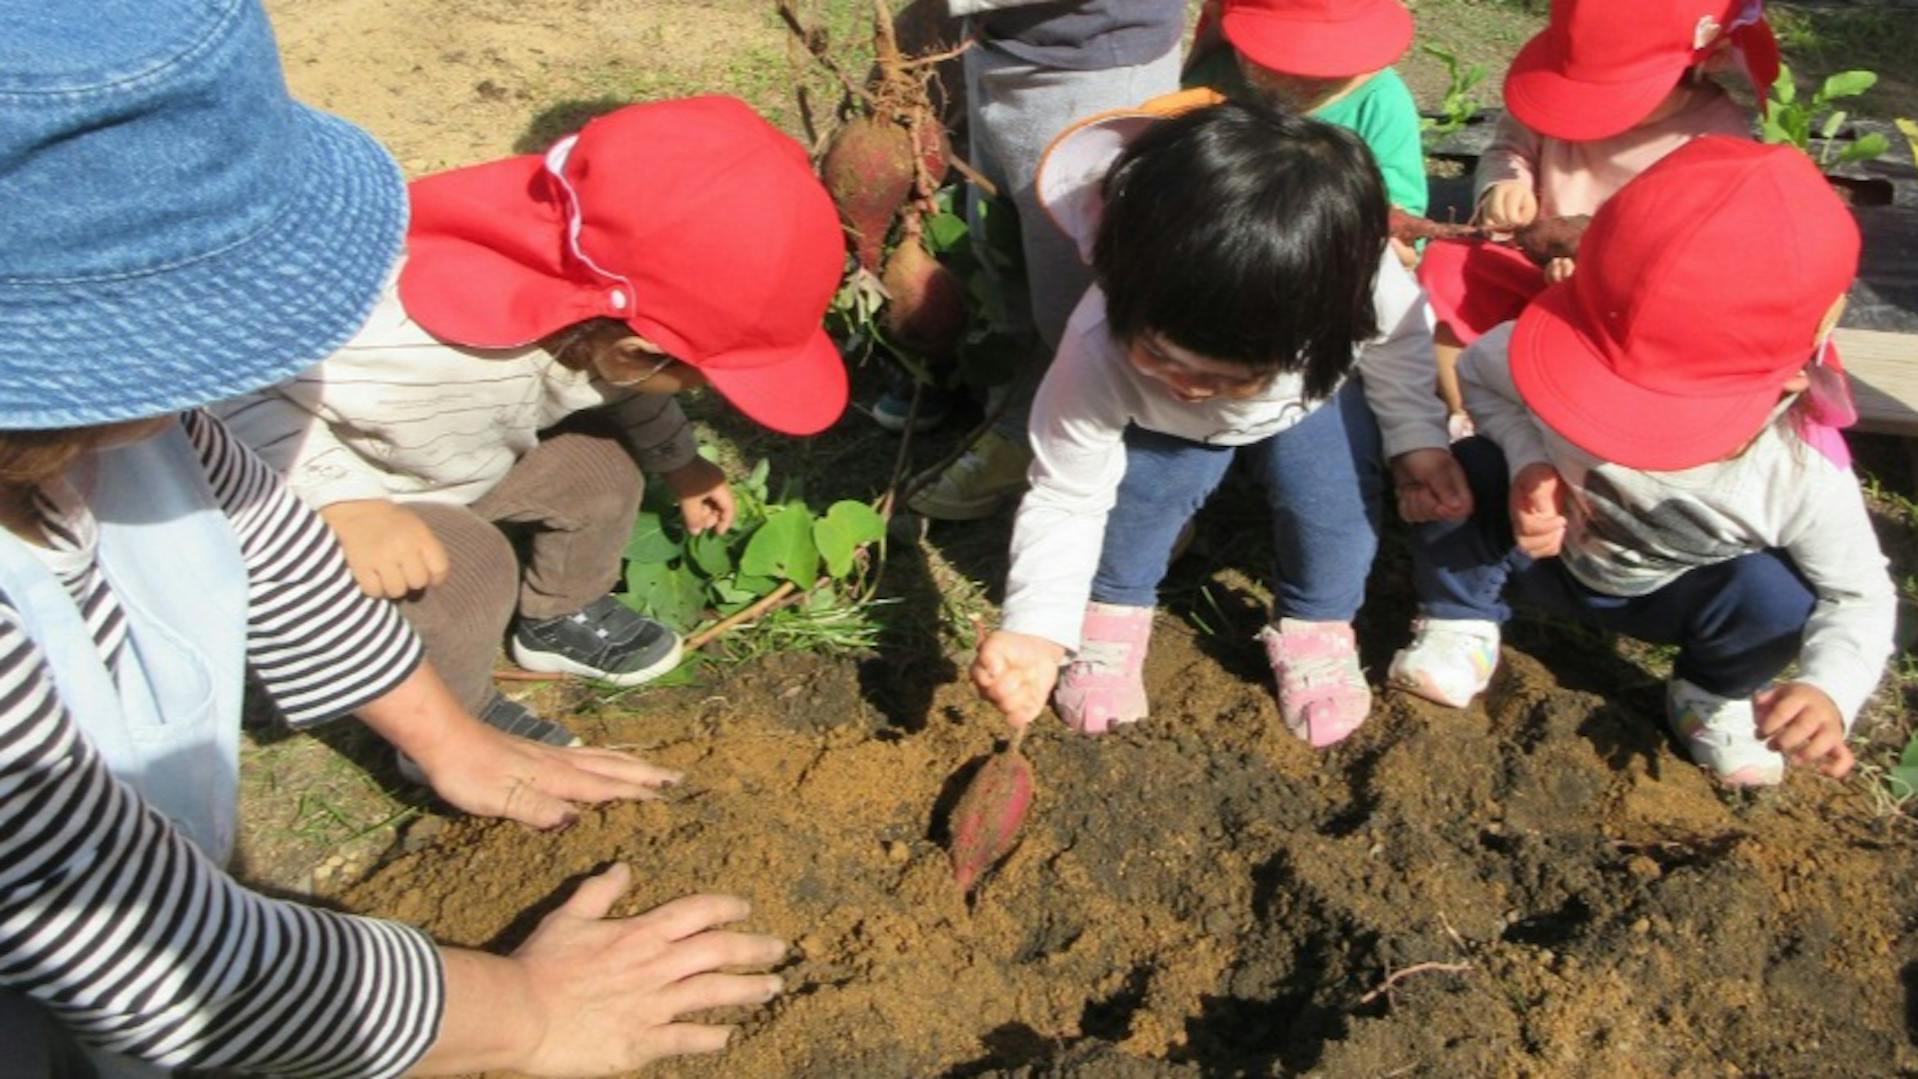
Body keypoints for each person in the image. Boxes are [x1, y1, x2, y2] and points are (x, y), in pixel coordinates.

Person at [0, 2, 790, 1075]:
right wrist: (527, 1011)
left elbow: (263, 536)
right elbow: (157, 958)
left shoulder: (120, 421)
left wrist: (444, 734)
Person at [216, 96, 848, 758]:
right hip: (317, 496)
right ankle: (455, 723)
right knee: (470, 574)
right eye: (702, 378)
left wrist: (680, 461)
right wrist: (344, 502)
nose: (702, 392)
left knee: (601, 470)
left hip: (450, 461)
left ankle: (558, 613)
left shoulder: (598, 321)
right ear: (635, 350)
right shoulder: (393, 334)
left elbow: (626, 387)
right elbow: (234, 391)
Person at [1389, 138, 1896, 788]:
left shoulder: (1799, 472)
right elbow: (1483, 378)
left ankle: (1712, 690)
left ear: (1795, 375)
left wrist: (1829, 689)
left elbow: (1859, 595)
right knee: (1464, 474)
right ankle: (1460, 616)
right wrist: (1527, 460)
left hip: (1672, 591)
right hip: (1540, 549)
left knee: (1779, 600)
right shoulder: (1547, 338)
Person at [971, 99, 1468, 745]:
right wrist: (1038, 626)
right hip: (1158, 424)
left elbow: (1399, 344)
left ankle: (1317, 626)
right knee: (1137, 503)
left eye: (1230, 376)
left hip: (1309, 408)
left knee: (1335, 509)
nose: (1190, 384)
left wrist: (1416, 440)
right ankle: (1111, 616)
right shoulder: (1096, 345)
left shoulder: (1356, 280)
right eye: (1158, 353)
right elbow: (1067, 493)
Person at [1417, 0, 1778, 426]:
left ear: (1709, 63)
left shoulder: (1712, 140)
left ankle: (1573, 419)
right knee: (1448, 267)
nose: (1593, 109)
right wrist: (1506, 183)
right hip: (1531, 262)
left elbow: (1695, 258)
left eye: (1615, 95)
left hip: (1623, 302)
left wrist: (1599, 280)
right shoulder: (1552, 93)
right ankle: (1467, 414)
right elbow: (1509, 147)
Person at [900, 0, 1186, 519]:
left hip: (1094, 78)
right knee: (998, 250)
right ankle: (1014, 426)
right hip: (999, 47)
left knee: (1083, 307)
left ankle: (1120, 486)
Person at [1184, 0, 1429, 222]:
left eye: (1336, 59)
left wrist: (1394, 238)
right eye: (1280, 59)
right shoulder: (1215, 78)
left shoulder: (1381, 103)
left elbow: (1401, 215)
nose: (1309, 77)